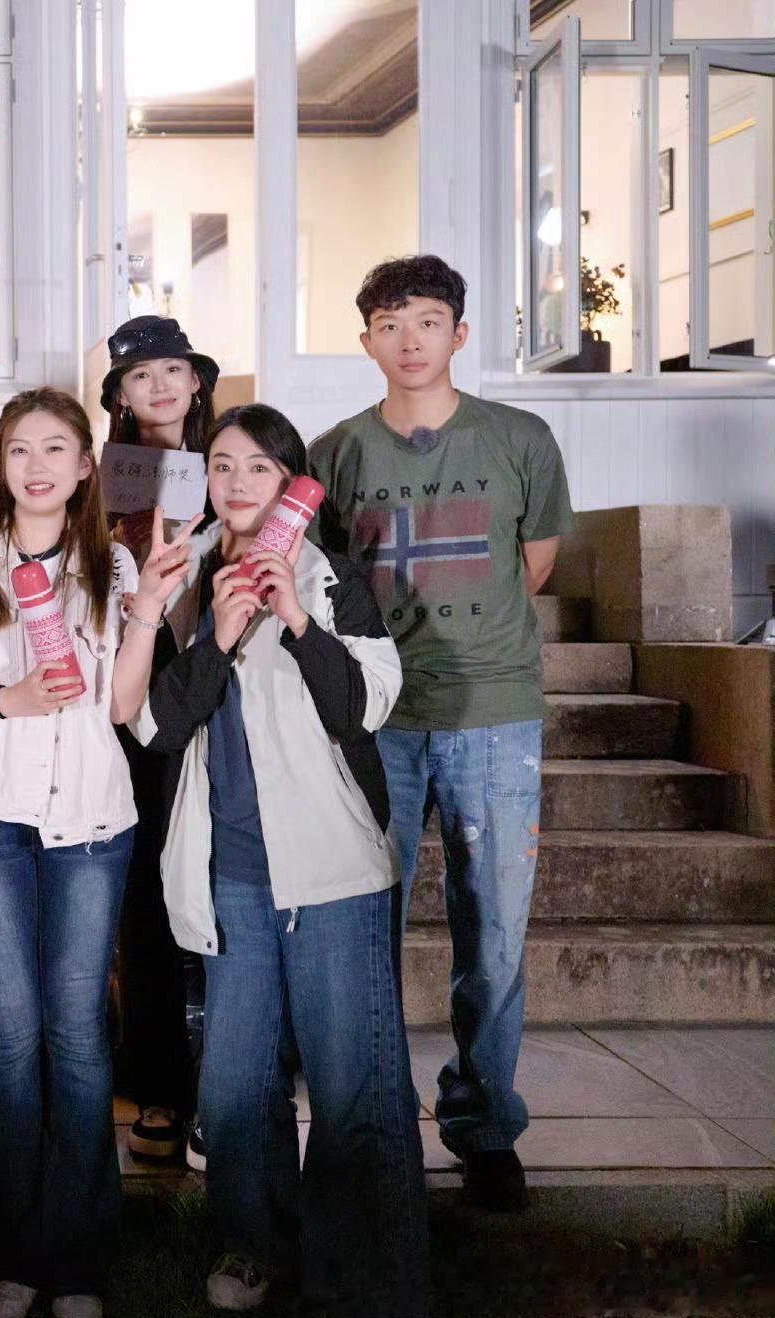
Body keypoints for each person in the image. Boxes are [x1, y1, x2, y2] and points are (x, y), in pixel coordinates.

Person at [0, 386, 198, 1318]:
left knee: (75, 1034)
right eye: (20, 449)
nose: (35, 466)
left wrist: (146, 610)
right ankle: (9, 1256)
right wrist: (7, 700)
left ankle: (78, 1256)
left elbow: (120, 707)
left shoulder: (110, 561)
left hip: (88, 821)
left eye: (55, 449)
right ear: (0, 464)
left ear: (84, 466)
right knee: (6, 1034)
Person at [131, 403, 427, 1318]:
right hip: (232, 877)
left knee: (352, 1088)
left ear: (294, 483)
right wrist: (216, 636)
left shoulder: (332, 579)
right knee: (233, 1088)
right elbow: (154, 724)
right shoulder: (187, 578)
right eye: (222, 466)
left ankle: (361, 1272)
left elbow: (364, 707)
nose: (237, 484)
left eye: (259, 467)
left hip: (331, 871)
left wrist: (296, 615)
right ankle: (257, 1245)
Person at [309, 254, 574, 1213]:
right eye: (388, 324)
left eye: (426, 320)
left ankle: (485, 1127)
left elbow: (532, 566)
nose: (409, 339)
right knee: (361, 927)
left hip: (491, 713)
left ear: (459, 333)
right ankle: (374, 1127)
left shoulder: (519, 438)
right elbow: (320, 587)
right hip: (376, 718)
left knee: (492, 932)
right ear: (367, 340)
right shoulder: (335, 452)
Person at [97, 314, 220, 1166]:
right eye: (140, 376)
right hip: (140, 690)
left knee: (228, 886)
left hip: (229, 687)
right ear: (119, 396)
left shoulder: (237, 455)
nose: (161, 386)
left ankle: (235, 1077)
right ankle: (160, 1083)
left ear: (196, 379)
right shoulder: (104, 482)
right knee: (146, 891)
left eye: (173, 369)